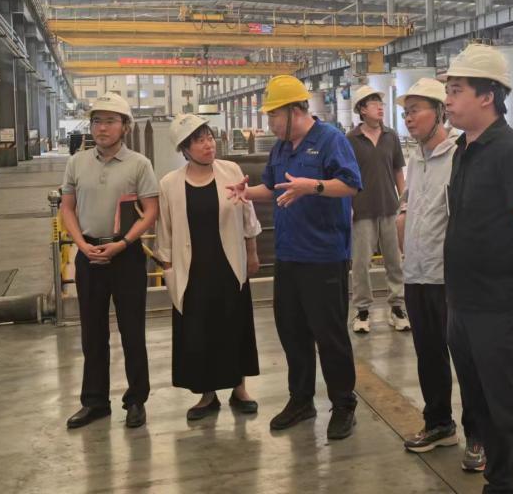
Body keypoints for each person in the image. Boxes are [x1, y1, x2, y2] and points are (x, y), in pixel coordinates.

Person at [443, 44, 513, 494]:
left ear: (487, 95)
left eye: (456, 90)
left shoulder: (511, 153)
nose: (448, 99)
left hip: (503, 307)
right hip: (464, 304)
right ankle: (500, 484)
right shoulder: (464, 149)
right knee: (483, 407)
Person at [227, 75, 363, 441]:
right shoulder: (281, 148)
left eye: (274, 115)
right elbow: (273, 188)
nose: (270, 122)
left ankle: (344, 404)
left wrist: (312, 186)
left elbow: (351, 184)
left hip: (324, 256)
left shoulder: (330, 140)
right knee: (292, 332)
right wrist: (245, 192)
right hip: (289, 256)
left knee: (330, 335)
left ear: (295, 110)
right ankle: (302, 400)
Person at [395, 77, 485, 472]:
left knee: (467, 359)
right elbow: (409, 203)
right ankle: (439, 424)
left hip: (450, 277)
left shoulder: (461, 156)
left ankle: (479, 435)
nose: (408, 118)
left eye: (415, 110)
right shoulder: (415, 159)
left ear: (439, 112)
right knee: (428, 355)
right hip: (416, 272)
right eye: (405, 112)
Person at [59, 93, 159, 430]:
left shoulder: (139, 165)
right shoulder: (76, 163)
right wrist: (81, 245)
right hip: (89, 255)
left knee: (132, 331)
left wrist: (124, 243)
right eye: (97, 121)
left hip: (126, 255)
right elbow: (67, 208)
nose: (102, 128)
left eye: (110, 121)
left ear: (125, 126)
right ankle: (95, 402)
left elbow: (151, 212)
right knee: (92, 333)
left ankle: (136, 400)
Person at [154, 114, 263, 420]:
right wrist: (168, 270)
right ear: (184, 149)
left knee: (235, 325)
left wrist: (252, 253)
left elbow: (247, 215)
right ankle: (207, 395)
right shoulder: (170, 184)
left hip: (229, 264)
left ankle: (240, 389)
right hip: (193, 270)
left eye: (210, 138)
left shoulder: (231, 170)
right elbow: (165, 230)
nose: (208, 145)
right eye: (199, 141)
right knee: (199, 330)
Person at [347, 85, 408, 334]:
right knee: (361, 263)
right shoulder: (351, 139)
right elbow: (346, 176)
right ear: (362, 109)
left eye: (381, 103)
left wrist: (404, 202)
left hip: (389, 207)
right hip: (361, 209)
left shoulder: (391, 136)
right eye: (374, 103)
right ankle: (362, 310)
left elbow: (398, 171)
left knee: (395, 261)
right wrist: (347, 206)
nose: (380, 107)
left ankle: (397, 307)